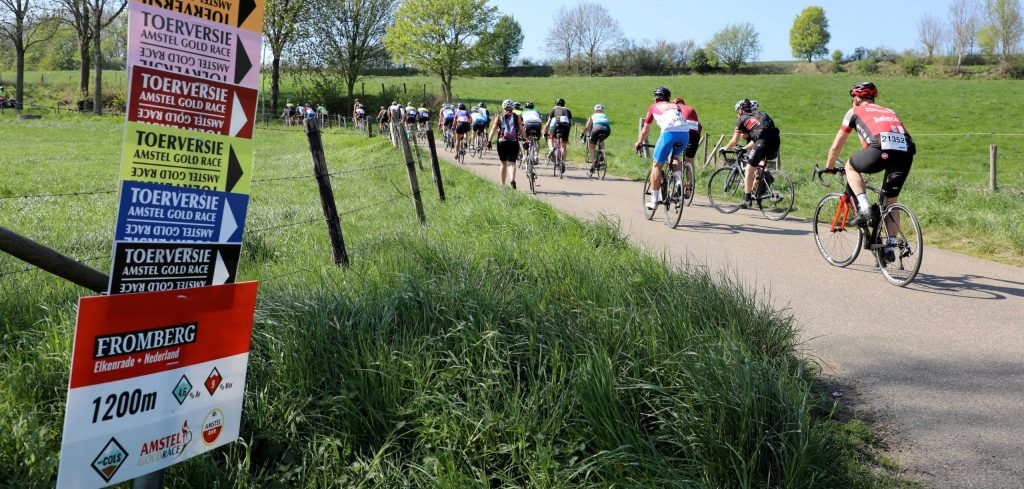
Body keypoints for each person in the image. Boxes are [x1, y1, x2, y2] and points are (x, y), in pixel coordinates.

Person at [826, 82, 916, 258]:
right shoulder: (889, 111)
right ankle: (890, 247)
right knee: (891, 202)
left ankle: (865, 207)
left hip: (879, 150)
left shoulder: (854, 112)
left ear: (857, 99)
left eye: (853, 100)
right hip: (906, 153)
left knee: (850, 166)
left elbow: (837, 145)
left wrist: (829, 167)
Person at [635, 87, 693, 210]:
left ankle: (654, 201)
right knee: (675, 156)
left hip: (668, 134)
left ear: (656, 98)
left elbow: (645, 130)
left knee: (656, 165)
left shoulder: (653, 107)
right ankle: (678, 182)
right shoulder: (675, 106)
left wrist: (639, 142)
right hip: (685, 134)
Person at [722, 98, 781, 209]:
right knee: (759, 163)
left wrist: (725, 148)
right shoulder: (759, 116)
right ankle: (762, 184)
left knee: (749, 169)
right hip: (775, 141)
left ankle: (747, 199)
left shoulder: (742, 119)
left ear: (740, 110)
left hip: (762, 141)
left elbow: (734, 141)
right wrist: (745, 148)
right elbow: (757, 138)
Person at [488, 99, 527, 188]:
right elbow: (521, 129)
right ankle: (512, 179)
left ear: (503, 107)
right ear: (512, 107)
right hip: (513, 141)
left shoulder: (499, 116)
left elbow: (493, 129)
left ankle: (503, 184)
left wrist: (489, 141)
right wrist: (525, 139)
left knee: (503, 163)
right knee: (512, 163)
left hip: (502, 141)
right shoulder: (517, 117)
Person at [671, 97, 703, 169]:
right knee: (690, 160)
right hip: (695, 134)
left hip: (682, 132)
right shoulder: (691, 108)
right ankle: (691, 180)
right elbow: (699, 126)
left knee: (674, 156)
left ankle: (677, 177)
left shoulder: (675, 108)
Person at [546, 98, 573, 164]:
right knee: (563, 146)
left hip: (557, 124)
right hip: (566, 126)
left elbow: (548, 122)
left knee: (550, 138)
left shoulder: (554, 109)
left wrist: (545, 131)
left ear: (556, 104)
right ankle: (563, 163)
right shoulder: (568, 110)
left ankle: (552, 148)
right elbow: (571, 123)